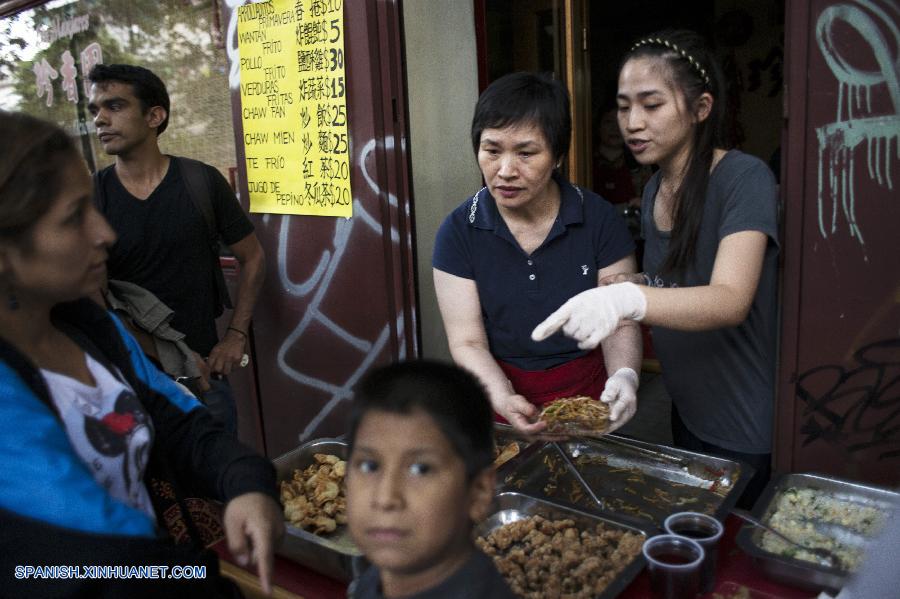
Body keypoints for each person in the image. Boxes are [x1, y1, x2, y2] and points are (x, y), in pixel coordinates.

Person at [0, 111, 283, 597]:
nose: (104, 234)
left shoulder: (92, 327)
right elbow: (102, 564)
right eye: (74, 218)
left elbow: (180, 422)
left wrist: (245, 480)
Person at [532, 30, 779, 508]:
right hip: (686, 406)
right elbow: (672, 283)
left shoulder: (743, 179)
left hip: (743, 419)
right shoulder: (654, 188)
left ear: (701, 107)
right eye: (624, 106)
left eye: (651, 104)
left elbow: (729, 299)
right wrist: (631, 288)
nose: (632, 122)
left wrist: (628, 299)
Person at [432, 72, 642, 437]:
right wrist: (502, 395)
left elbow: (620, 319)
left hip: (591, 396)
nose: (506, 171)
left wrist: (625, 375)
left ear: (558, 155)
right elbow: (466, 340)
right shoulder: (458, 232)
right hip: (499, 395)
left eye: (526, 153)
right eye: (492, 150)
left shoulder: (598, 219)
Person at [87, 63, 266, 433]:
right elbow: (96, 299)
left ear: (155, 116)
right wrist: (165, 356)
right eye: (95, 110)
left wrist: (235, 336)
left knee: (216, 482)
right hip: (130, 380)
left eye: (115, 106)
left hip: (205, 378)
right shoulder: (92, 196)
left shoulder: (200, 181)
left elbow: (253, 258)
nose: (100, 119)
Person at [345, 360, 516, 599]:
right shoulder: (374, 579)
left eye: (421, 469)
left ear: (479, 492)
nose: (385, 498)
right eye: (369, 465)